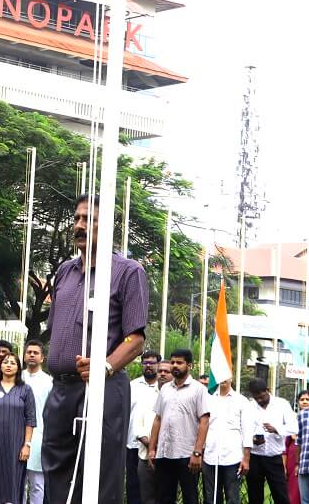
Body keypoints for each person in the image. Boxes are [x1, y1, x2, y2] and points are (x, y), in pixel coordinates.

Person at [43, 195, 149, 504]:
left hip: (102, 388)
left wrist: (105, 366)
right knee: (56, 475)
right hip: (60, 390)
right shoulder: (64, 272)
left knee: (99, 476)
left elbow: (135, 339)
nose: (79, 225)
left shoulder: (128, 272)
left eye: (89, 219)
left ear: (108, 227)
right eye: (77, 218)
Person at [146, 348, 209, 504]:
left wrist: (197, 453)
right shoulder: (165, 389)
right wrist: (152, 449)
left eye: (179, 363)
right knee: (163, 498)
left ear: (189, 365)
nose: (175, 365)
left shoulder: (199, 390)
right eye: (173, 362)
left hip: (187, 454)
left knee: (190, 497)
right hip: (164, 453)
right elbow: (158, 419)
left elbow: (204, 421)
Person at [0, 353, 37, 504]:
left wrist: (27, 445)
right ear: (0, 366)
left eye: (13, 363)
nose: (9, 365)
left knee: (13, 482)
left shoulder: (26, 390)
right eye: (5, 362)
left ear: (18, 367)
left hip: (16, 445)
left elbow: (31, 419)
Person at [245, 378, 298, 504]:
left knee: (281, 496)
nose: (259, 400)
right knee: (255, 497)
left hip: (274, 458)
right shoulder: (249, 406)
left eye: (261, 397)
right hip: (255, 457)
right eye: (256, 398)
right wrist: (252, 439)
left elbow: (294, 427)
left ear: (268, 390)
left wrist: (276, 429)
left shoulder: (282, 404)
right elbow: (245, 429)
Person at [202, 375, 251, 504]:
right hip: (210, 457)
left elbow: (247, 431)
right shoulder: (208, 399)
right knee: (211, 498)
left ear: (231, 378)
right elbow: (202, 426)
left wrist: (246, 458)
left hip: (232, 457)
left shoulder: (241, 401)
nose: (223, 378)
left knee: (233, 498)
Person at [128, 352, 162, 504]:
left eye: (152, 363)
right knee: (133, 486)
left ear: (158, 365)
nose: (148, 366)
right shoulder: (132, 386)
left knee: (154, 490)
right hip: (132, 444)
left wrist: (152, 444)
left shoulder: (163, 388)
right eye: (145, 363)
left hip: (155, 448)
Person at [22, 341, 53, 504]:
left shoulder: (49, 382)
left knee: (37, 485)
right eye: (29, 352)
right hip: (17, 435)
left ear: (42, 358)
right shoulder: (17, 378)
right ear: (24, 356)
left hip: (40, 437)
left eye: (36, 353)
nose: (32, 355)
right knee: (18, 483)